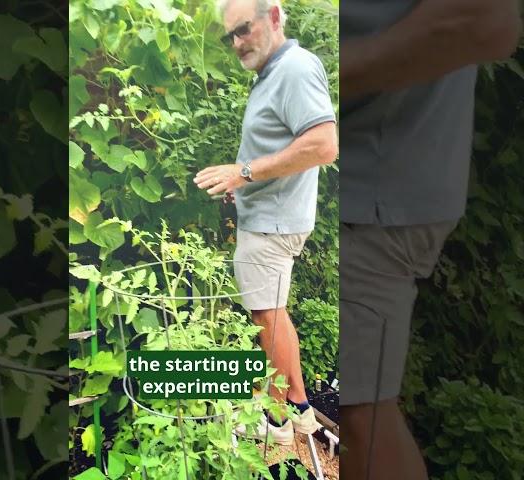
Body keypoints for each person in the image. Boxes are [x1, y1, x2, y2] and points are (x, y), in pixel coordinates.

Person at [339, 0, 521, 478]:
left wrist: (315, 74)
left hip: (371, 188)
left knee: (357, 417)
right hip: (340, 181)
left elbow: (486, 22)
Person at [194, 0, 338, 446]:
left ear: (274, 17)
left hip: (272, 226)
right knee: (273, 314)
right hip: (270, 218)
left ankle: (276, 421)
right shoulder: (271, 74)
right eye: (230, 36)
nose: (237, 42)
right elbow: (281, 144)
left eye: (244, 29)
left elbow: (323, 145)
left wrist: (245, 173)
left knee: (265, 318)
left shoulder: (294, 68)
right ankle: (294, 406)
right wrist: (248, 180)